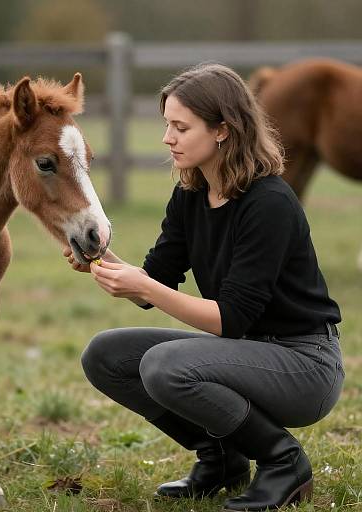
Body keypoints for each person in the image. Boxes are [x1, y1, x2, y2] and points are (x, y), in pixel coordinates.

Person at [63, 63, 343, 512]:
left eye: (180, 127)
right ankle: (222, 458)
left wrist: (147, 289)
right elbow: (152, 284)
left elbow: (230, 318)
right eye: (166, 125)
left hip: (304, 365)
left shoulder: (269, 202)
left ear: (222, 131)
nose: (167, 138)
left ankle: (283, 461)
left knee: (164, 366)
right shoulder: (191, 194)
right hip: (246, 353)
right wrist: (102, 259)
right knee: (106, 356)